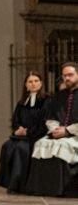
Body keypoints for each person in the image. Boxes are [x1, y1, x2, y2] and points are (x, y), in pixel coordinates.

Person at [25, 62, 78, 197]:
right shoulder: (59, 96)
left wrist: (67, 131)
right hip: (59, 134)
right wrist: (55, 130)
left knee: (63, 146)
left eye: (70, 75)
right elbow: (51, 118)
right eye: (64, 76)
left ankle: (63, 190)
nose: (67, 78)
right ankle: (42, 189)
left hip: (75, 134)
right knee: (41, 144)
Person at [0, 71, 49, 193]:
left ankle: (19, 185)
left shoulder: (47, 101)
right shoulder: (21, 103)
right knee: (7, 146)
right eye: (30, 81)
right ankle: (9, 183)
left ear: (41, 84)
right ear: (26, 85)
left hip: (37, 135)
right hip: (22, 136)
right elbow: (15, 120)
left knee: (21, 149)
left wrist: (28, 131)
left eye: (36, 81)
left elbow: (44, 122)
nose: (33, 84)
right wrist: (18, 129)